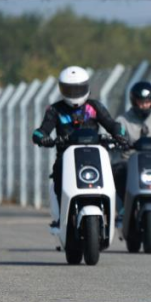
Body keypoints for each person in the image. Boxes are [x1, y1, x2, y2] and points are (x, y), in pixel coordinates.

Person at [32, 66, 127, 229]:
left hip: (95, 155)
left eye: (78, 89)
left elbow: (113, 125)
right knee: (58, 172)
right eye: (70, 89)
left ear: (86, 87)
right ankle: (62, 215)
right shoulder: (55, 110)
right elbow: (40, 132)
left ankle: (115, 211)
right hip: (66, 157)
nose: (74, 93)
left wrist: (119, 134)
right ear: (62, 89)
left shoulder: (94, 107)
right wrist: (43, 138)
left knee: (113, 172)